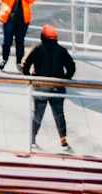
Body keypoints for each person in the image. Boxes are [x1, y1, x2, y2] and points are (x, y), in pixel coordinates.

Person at [25, 21, 76, 151]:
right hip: (57, 88)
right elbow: (71, 67)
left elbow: (25, 65)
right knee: (59, 115)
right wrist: (64, 79)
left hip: (40, 88)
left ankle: (32, 140)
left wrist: (31, 78)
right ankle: (63, 142)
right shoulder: (62, 51)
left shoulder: (36, 49)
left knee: (37, 115)